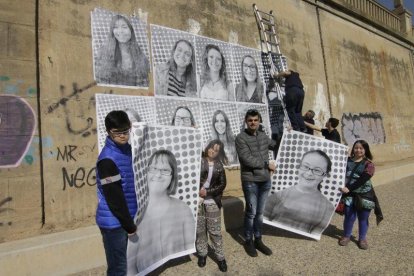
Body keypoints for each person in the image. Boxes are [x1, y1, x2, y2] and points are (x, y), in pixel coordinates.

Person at [128, 149, 196, 273]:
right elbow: (130, 264)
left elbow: (189, 249)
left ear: (173, 175)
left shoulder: (183, 209)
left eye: (165, 170)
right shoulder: (136, 212)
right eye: (153, 168)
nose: (158, 175)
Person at [95, 110, 137, 276]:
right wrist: (128, 225)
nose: (122, 136)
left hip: (126, 218)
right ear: (108, 132)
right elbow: (114, 198)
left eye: (125, 131)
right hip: (115, 223)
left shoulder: (127, 150)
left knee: (128, 263)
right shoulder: (107, 160)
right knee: (118, 267)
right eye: (117, 132)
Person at [235, 109, 277, 257]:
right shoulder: (241, 138)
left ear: (259, 121)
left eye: (255, 120)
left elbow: (275, 144)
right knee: (251, 213)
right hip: (251, 181)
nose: (253, 123)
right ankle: (248, 240)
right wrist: (267, 164)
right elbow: (246, 159)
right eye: (250, 120)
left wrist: (287, 134)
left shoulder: (263, 136)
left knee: (260, 214)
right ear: (246, 122)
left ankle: (258, 239)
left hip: (265, 180)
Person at [264, 150, 335, 236]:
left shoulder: (328, 207)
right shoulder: (278, 194)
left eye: (317, 170)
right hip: (272, 235)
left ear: (325, 175)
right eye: (305, 166)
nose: (309, 173)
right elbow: (264, 217)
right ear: (299, 167)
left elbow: (316, 231)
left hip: (301, 241)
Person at [339, 140, 383, 250]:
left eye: (361, 148)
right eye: (356, 148)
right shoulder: (346, 161)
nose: (358, 150)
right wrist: (343, 153)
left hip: (364, 194)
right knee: (349, 215)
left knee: (363, 217)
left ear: (365, 150)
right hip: (350, 194)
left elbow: (363, 179)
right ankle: (346, 236)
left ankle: (362, 239)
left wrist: (348, 188)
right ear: (353, 149)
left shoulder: (369, 165)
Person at [196, 140, 228, 272]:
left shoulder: (219, 166)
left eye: (216, 150)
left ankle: (220, 257)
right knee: (200, 231)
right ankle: (202, 254)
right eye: (211, 148)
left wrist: (207, 192)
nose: (212, 151)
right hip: (197, 202)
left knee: (215, 231)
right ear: (207, 147)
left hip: (212, 201)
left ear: (219, 153)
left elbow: (222, 185)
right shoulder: (197, 161)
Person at [95, 14, 150, 87]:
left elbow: (144, 84)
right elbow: (99, 82)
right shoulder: (103, 53)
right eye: (116, 27)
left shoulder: (141, 56)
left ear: (132, 30)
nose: (120, 31)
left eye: (124, 27)